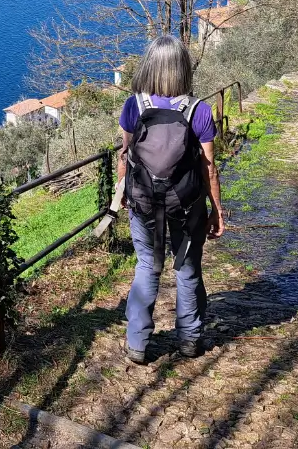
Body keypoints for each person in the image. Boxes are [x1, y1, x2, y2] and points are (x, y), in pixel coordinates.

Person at [118, 35, 225, 364]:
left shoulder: (134, 106)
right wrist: (217, 211)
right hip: (187, 207)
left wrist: (122, 189)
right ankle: (189, 340)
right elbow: (209, 168)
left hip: (144, 204)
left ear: (149, 66)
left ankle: (137, 343)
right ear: (183, 69)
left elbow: (125, 153)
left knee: (147, 267)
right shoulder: (200, 111)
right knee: (187, 270)